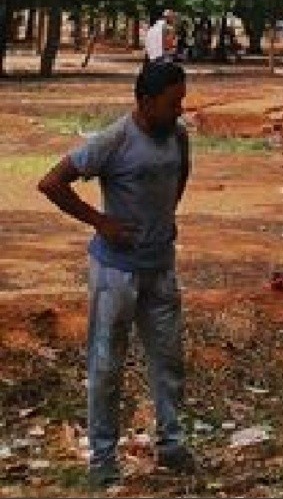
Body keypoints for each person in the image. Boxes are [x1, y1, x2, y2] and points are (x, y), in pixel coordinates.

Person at [36, 62, 196, 488]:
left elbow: (180, 172)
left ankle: (172, 445)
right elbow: (51, 182)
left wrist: (167, 214)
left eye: (181, 101)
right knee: (107, 364)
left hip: (160, 268)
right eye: (172, 103)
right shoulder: (113, 140)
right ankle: (103, 458)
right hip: (115, 274)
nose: (179, 111)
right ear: (144, 102)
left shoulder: (177, 136)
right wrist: (100, 221)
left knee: (168, 360)